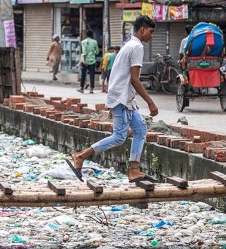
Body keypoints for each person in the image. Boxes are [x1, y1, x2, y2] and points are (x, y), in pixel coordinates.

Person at [67, 15, 159, 183]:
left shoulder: (128, 45)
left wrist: (113, 102)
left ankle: (134, 170)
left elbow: (120, 75)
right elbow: (134, 79)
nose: (151, 36)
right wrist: (150, 102)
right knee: (119, 137)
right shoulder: (136, 47)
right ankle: (80, 156)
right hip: (122, 99)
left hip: (124, 99)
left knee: (140, 130)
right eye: (150, 32)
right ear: (143, 29)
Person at [78, 29, 99, 94]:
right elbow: (97, 52)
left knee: (83, 75)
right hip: (92, 60)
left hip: (85, 60)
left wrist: (84, 60)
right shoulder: (95, 42)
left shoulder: (83, 42)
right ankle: (91, 89)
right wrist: (93, 52)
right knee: (92, 75)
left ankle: (81, 88)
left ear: (86, 35)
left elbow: (84, 52)